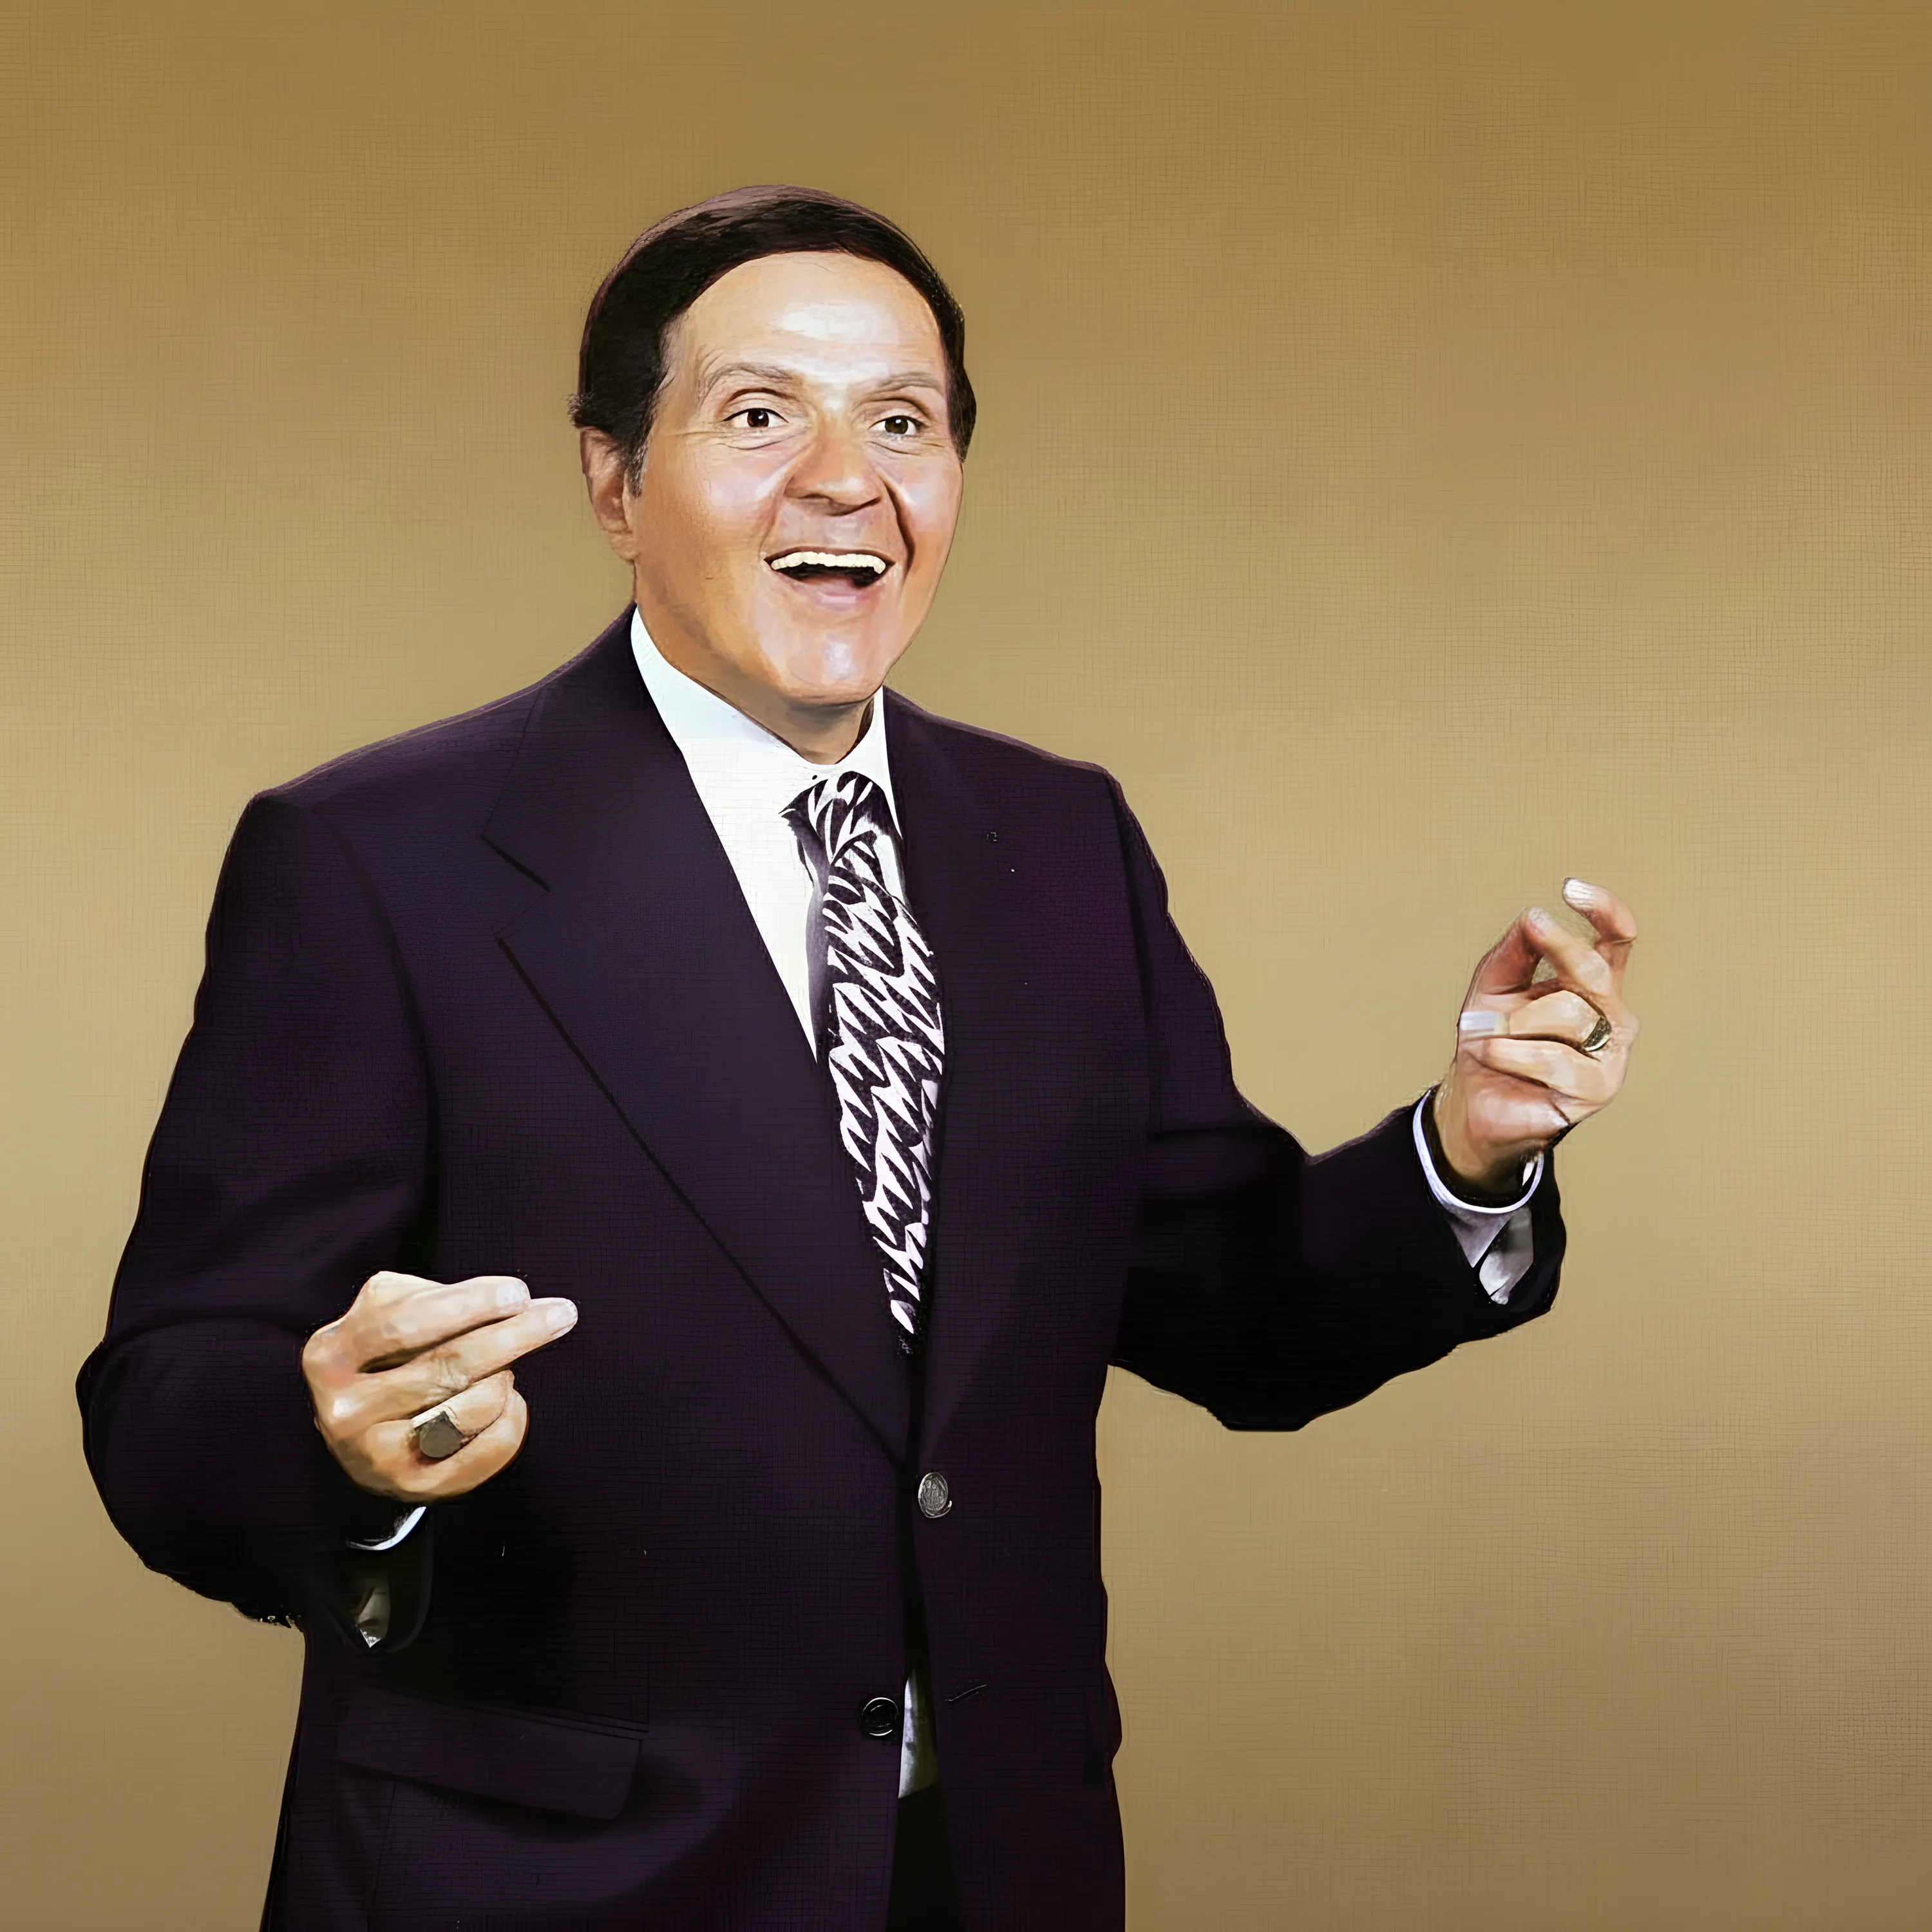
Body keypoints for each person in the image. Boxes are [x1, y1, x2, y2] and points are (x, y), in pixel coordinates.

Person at [77, 185, 1638, 1931]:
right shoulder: (379, 860)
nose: (847, 479)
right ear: (615, 482)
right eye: (761, 415)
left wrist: (1466, 1152)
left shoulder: (1058, 844)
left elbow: (1238, 1311)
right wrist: (334, 1444)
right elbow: (165, 1396)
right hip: (551, 1885)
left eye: (904, 422)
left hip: (989, 1875)